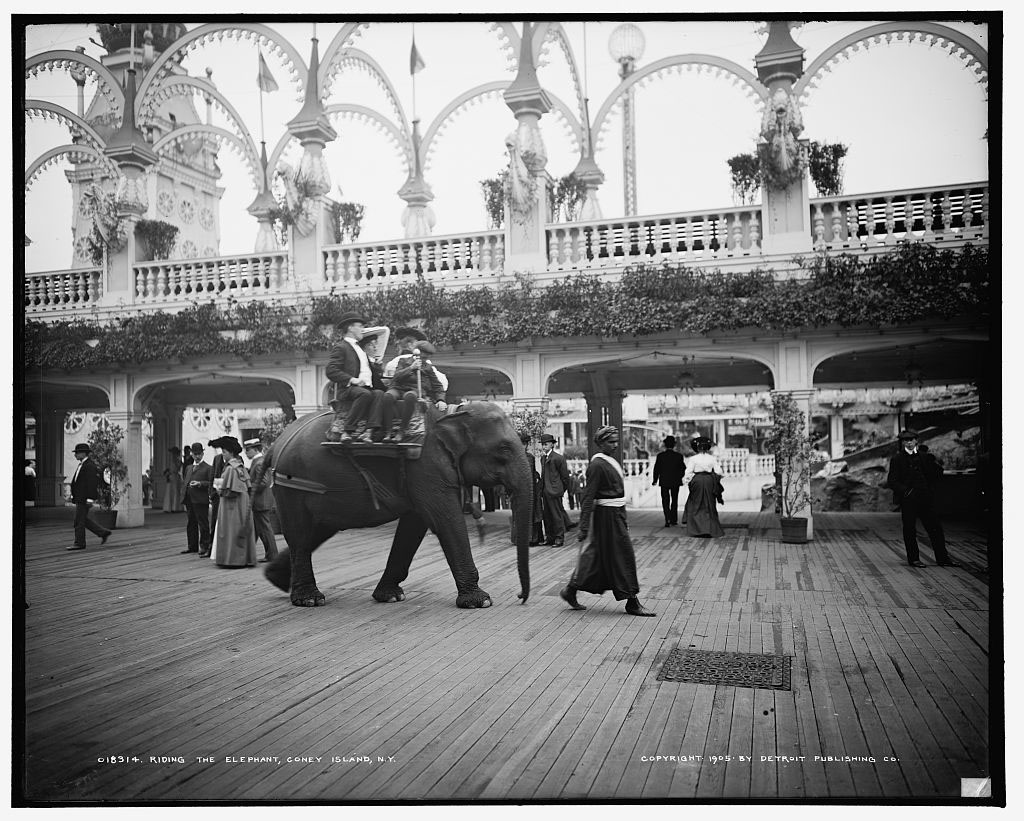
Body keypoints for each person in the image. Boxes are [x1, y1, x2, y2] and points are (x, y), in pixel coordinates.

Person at [560, 426, 655, 617]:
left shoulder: (610, 461)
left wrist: (623, 517)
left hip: (615, 516)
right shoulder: (596, 465)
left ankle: (571, 589)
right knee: (623, 555)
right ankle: (632, 602)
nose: (615, 445)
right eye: (611, 442)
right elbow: (588, 497)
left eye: (616, 441)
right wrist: (584, 526)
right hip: (606, 518)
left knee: (598, 557)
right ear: (600, 443)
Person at [886, 429, 960, 569]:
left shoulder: (924, 457)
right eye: (905, 440)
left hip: (925, 497)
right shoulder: (897, 459)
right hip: (909, 499)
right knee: (909, 529)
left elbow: (937, 473)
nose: (908, 443)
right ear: (902, 443)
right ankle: (914, 559)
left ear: (916, 441)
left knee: (935, 528)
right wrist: (906, 492)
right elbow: (892, 481)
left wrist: (933, 466)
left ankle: (943, 558)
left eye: (911, 440)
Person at [325, 311, 380, 444]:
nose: (363, 329)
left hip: (365, 388)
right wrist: (352, 379)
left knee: (379, 394)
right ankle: (347, 430)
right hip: (348, 389)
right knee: (365, 395)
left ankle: (368, 431)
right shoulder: (341, 347)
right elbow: (331, 370)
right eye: (360, 326)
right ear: (350, 327)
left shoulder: (359, 349)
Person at [208, 436, 257, 568]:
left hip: (232, 505)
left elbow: (230, 491)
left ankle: (233, 559)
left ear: (230, 452)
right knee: (240, 528)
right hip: (242, 502)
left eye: (224, 452)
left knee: (231, 529)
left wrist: (219, 490)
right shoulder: (240, 466)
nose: (223, 455)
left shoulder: (231, 468)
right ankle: (244, 558)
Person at [67, 443, 112, 551]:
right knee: (82, 519)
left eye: (77, 453)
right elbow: (78, 482)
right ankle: (103, 532)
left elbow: (92, 483)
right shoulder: (82, 465)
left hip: (84, 498)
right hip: (80, 497)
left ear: (83, 453)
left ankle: (79, 543)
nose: (75, 455)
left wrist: (90, 498)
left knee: (79, 521)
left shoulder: (89, 466)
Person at [358, 328, 397, 442]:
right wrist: (388, 388)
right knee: (380, 394)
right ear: (363, 347)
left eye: (376, 344)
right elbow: (375, 382)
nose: (375, 347)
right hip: (362, 388)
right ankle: (371, 430)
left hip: (370, 387)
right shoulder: (363, 361)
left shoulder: (373, 362)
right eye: (371, 345)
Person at [244, 438, 279, 563]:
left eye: (248, 450)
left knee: (265, 528)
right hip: (261, 500)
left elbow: (263, 482)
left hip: (260, 500)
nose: (246, 452)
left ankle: (272, 555)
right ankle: (264, 554)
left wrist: (249, 487)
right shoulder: (259, 461)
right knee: (261, 528)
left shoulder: (258, 463)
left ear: (254, 450)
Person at [683, 437, 725, 538]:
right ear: (707, 448)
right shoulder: (712, 458)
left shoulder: (693, 459)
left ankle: (697, 530)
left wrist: (687, 481)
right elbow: (719, 472)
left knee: (696, 504)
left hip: (697, 481)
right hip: (709, 481)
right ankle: (709, 529)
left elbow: (688, 472)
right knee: (710, 504)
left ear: (697, 448)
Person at [180, 442, 213, 555]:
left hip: (200, 499)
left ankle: (205, 545)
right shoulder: (189, 467)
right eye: (195, 454)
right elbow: (185, 481)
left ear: (203, 453)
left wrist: (200, 483)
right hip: (189, 499)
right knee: (191, 523)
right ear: (191, 454)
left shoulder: (208, 468)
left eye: (199, 454)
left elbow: (211, 483)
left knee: (203, 523)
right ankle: (192, 546)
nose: (197, 456)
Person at [539, 433, 571, 547]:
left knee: (556, 516)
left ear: (552, 444)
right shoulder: (543, 458)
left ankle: (559, 538)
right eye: (542, 444)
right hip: (545, 492)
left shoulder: (558, 458)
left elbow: (565, 477)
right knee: (547, 516)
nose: (544, 446)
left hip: (555, 491)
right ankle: (550, 538)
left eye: (546, 444)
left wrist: (560, 490)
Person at [652, 435, 686, 527]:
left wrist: (655, 480)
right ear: (674, 445)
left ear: (665, 445)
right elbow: (683, 469)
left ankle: (667, 519)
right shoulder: (679, 456)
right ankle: (673, 520)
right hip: (675, 481)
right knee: (674, 500)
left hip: (664, 481)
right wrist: (679, 477)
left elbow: (656, 469)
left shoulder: (660, 456)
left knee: (665, 501)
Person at [205, 442, 227, 557]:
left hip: (227, 496)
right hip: (216, 496)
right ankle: (210, 548)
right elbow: (212, 476)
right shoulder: (217, 458)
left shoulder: (236, 460)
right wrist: (211, 493)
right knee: (214, 522)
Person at [162, 447, 184, 513]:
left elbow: (178, 467)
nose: (172, 454)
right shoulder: (172, 460)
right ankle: (170, 507)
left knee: (175, 491)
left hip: (175, 476)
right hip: (172, 476)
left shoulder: (177, 460)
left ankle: (175, 508)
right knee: (170, 491)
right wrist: (167, 473)